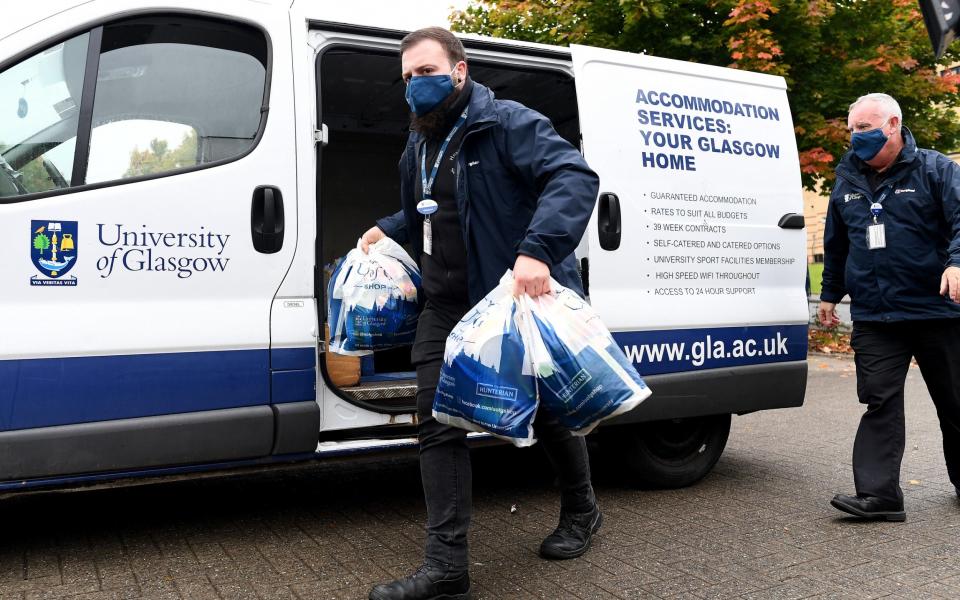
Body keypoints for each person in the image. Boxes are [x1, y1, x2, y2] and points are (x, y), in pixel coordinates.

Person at [362, 28, 602, 600]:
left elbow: (573, 177)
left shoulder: (508, 123)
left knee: (543, 413)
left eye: (426, 72)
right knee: (436, 421)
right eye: (407, 78)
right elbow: (427, 210)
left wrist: (538, 249)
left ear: (460, 70)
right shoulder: (418, 143)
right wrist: (388, 227)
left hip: (507, 300)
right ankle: (447, 568)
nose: (415, 85)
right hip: (444, 303)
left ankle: (582, 509)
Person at [819, 92, 960, 522]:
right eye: (852, 130)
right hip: (876, 317)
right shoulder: (846, 181)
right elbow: (837, 244)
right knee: (878, 401)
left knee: (955, 403)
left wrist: (957, 262)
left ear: (894, 124)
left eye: (864, 128)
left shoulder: (936, 169)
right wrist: (829, 295)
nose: (855, 137)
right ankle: (880, 495)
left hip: (938, 312)